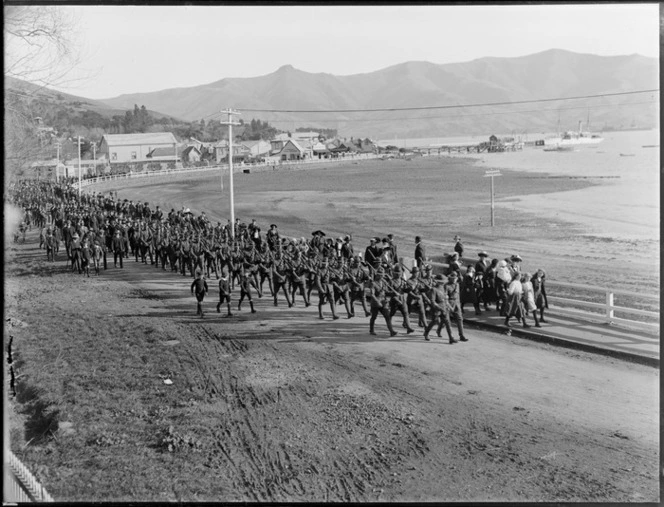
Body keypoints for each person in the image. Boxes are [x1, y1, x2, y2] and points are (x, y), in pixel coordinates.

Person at [424, 274, 456, 343]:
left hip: (444, 307)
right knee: (434, 321)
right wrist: (439, 308)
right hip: (436, 308)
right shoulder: (434, 289)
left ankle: (451, 338)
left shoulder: (443, 288)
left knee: (447, 322)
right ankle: (426, 333)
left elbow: (445, 299)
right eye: (442, 281)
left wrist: (449, 307)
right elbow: (432, 301)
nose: (443, 282)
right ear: (439, 282)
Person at [367, 267, 397, 337]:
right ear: (376, 275)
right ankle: (371, 330)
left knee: (387, 316)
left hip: (383, 301)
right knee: (374, 317)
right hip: (375, 302)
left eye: (382, 275)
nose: (381, 276)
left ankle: (391, 331)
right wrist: (377, 302)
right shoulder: (373, 283)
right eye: (379, 275)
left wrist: (393, 293)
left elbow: (386, 292)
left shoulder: (384, 282)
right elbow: (372, 295)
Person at [444, 272, 467, 341]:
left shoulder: (457, 285)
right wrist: (448, 305)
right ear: (450, 278)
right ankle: (449, 335)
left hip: (457, 303)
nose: (454, 279)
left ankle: (462, 335)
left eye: (455, 278)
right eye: (453, 278)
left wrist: (459, 305)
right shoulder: (446, 285)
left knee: (460, 319)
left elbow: (458, 295)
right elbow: (445, 297)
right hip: (449, 303)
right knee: (447, 320)